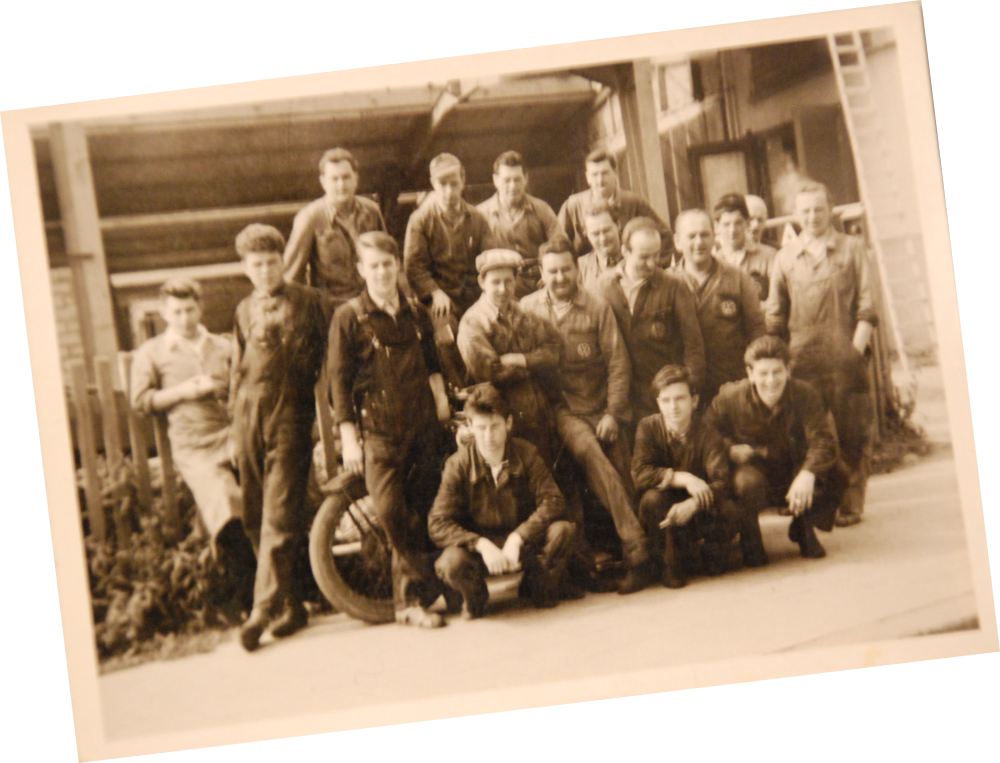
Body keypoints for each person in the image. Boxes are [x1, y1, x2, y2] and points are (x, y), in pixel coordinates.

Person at [329, 231, 453, 629]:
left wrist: (441, 402)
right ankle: (414, 598)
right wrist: (349, 437)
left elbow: (433, 365)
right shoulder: (349, 317)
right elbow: (338, 382)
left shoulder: (416, 312)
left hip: (423, 427)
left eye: (387, 264)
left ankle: (420, 597)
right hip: (380, 433)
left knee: (427, 508)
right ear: (360, 270)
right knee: (391, 513)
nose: (381, 273)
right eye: (373, 266)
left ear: (397, 265)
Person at [521, 238, 652, 594]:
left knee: (622, 465)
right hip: (562, 411)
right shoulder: (528, 309)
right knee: (589, 452)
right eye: (552, 271)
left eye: (566, 269)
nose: (560, 277)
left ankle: (641, 555)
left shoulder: (596, 306)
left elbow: (618, 363)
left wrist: (613, 414)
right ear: (541, 272)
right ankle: (638, 548)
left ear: (577, 269)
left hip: (600, 406)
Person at [229, 224, 328, 652]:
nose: (266, 271)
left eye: (272, 262)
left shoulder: (310, 301)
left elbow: (332, 358)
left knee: (280, 514)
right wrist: (233, 428)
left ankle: (261, 612)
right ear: (245, 268)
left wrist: (330, 414)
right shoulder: (242, 310)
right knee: (255, 515)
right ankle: (292, 605)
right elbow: (237, 369)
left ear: (282, 261)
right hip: (248, 413)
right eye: (257, 265)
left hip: (291, 412)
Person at [130, 277, 254, 614]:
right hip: (194, 445)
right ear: (164, 313)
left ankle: (282, 594)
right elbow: (140, 400)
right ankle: (248, 601)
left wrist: (227, 396)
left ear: (200, 308)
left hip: (232, 435)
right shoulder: (153, 353)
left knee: (263, 503)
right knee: (227, 506)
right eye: (176, 312)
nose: (184, 318)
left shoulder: (222, 345)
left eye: (189, 310)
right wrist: (183, 392)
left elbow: (245, 386)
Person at [764, 181, 878, 527]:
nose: (812, 216)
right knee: (804, 435)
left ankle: (851, 503)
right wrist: (780, 364)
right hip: (802, 363)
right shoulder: (784, 258)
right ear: (795, 215)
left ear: (831, 210)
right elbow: (775, 317)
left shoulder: (852, 249)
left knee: (851, 434)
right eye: (805, 211)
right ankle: (812, 503)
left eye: (819, 209)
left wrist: (853, 353)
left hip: (845, 361)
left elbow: (867, 308)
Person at [428, 384, 576, 617]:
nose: (488, 437)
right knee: (450, 562)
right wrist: (480, 544)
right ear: (470, 427)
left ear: (508, 423)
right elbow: (437, 522)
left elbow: (553, 500)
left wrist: (518, 537)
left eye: (495, 426)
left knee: (562, 531)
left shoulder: (527, 453)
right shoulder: (457, 465)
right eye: (481, 428)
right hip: (479, 553)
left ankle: (535, 583)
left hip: (522, 546)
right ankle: (476, 596)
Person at [705, 336, 847, 563]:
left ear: (787, 371)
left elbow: (823, 440)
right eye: (763, 373)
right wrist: (729, 450)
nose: (771, 381)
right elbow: (705, 433)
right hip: (753, 474)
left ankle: (803, 525)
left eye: (777, 372)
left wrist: (808, 473)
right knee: (747, 483)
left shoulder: (805, 394)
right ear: (750, 374)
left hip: (792, 469)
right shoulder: (730, 398)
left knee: (838, 473)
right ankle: (750, 534)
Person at [633, 365, 740, 588]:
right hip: (666, 513)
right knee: (651, 500)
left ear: (694, 401)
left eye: (680, 399)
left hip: (697, 512)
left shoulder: (708, 432)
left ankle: (705, 554)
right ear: (658, 403)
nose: (673, 407)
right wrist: (685, 479)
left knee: (728, 510)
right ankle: (668, 563)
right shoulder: (648, 427)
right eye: (666, 400)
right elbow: (639, 473)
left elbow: (722, 482)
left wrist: (692, 505)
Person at [456, 249, 561, 465]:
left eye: (508, 281)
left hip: (540, 416)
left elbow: (554, 352)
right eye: (495, 282)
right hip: (503, 421)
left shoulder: (525, 313)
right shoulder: (473, 323)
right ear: (482, 282)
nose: (503, 289)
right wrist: (535, 363)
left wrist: (520, 360)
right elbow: (491, 373)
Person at [597, 217, 706, 423]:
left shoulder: (674, 286)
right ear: (625, 251)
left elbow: (694, 347)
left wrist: (689, 392)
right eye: (644, 257)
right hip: (624, 399)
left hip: (665, 396)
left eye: (656, 255)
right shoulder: (604, 286)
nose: (653, 263)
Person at [673, 209, 766, 403]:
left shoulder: (737, 277)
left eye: (705, 234)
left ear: (714, 237)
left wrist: (758, 375)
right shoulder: (668, 283)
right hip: (686, 391)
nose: (699, 242)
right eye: (691, 236)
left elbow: (757, 330)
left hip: (732, 385)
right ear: (677, 241)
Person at [283, 147, 388, 310]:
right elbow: (292, 276)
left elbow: (386, 257)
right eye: (334, 179)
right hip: (332, 309)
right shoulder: (310, 217)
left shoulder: (371, 210)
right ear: (323, 182)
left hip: (372, 304)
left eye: (346, 177)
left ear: (356, 178)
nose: (341, 184)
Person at [404, 152, 497, 321]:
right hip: (439, 298)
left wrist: (487, 293)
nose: (449, 191)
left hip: (474, 296)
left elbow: (490, 259)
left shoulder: (477, 218)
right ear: (433, 183)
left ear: (463, 181)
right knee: (445, 330)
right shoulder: (420, 220)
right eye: (442, 184)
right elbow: (414, 267)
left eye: (454, 184)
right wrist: (435, 292)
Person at [557, 149, 673, 264]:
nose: (600, 180)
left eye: (605, 173)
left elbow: (665, 235)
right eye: (594, 175)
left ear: (615, 172)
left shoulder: (633, 202)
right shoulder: (573, 205)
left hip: (627, 271)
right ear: (587, 177)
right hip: (590, 271)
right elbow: (559, 243)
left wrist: (653, 267)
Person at [477, 151, 560, 299]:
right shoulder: (481, 215)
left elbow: (559, 245)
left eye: (517, 179)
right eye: (506, 180)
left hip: (539, 284)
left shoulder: (542, 209)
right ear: (495, 180)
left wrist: (549, 275)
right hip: (501, 287)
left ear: (526, 178)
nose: (512, 186)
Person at [713, 193, 776, 303]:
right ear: (716, 226)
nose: (732, 230)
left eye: (738, 223)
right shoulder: (713, 262)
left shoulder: (769, 256)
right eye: (726, 224)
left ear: (747, 223)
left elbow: (777, 302)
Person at [576, 201, 624, 297]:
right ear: (586, 234)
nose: (603, 239)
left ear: (618, 225)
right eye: (595, 234)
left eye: (606, 230)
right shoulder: (579, 268)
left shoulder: (637, 257)